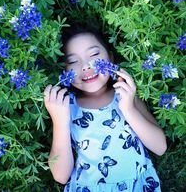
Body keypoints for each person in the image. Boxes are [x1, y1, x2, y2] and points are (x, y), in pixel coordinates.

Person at [44, 22, 167, 192]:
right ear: (64, 70)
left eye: (94, 54)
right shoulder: (66, 105)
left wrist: (129, 109)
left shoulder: (125, 93)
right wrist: (59, 122)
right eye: (73, 61)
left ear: (110, 57)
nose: (85, 66)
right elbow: (61, 176)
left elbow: (160, 147)